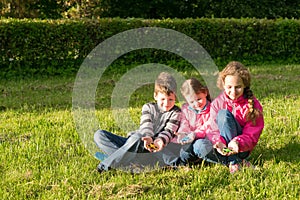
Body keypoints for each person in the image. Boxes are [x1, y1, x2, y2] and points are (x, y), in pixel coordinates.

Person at [94, 72, 181, 173]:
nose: (166, 103)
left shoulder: (176, 112)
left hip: (152, 150)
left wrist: (160, 140)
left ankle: (108, 163)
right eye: (163, 99)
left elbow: (169, 131)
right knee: (99, 135)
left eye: (171, 99)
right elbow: (146, 125)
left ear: (175, 97)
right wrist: (147, 136)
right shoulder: (148, 107)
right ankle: (127, 162)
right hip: (137, 143)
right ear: (155, 96)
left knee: (137, 138)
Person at [193, 61, 264, 173]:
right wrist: (218, 141)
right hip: (223, 147)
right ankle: (236, 162)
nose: (233, 91)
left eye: (238, 87)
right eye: (229, 87)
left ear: (245, 85)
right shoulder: (217, 103)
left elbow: (252, 134)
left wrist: (237, 142)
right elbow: (212, 129)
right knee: (198, 146)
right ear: (223, 85)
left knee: (223, 115)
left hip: (240, 148)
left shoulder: (253, 105)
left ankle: (234, 159)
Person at [171, 78, 212, 166]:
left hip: (205, 139)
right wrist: (183, 133)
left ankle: (203, 156)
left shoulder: (212, 108)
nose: (196, 104)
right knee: (184, 153)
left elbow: (209, 126)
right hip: (190, 138)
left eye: (199, 99)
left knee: (201, 145)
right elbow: (184, 123)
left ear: (205, 93)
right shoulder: (186, 109)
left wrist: (194, 134)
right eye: (192, 102)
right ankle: (192, 159)